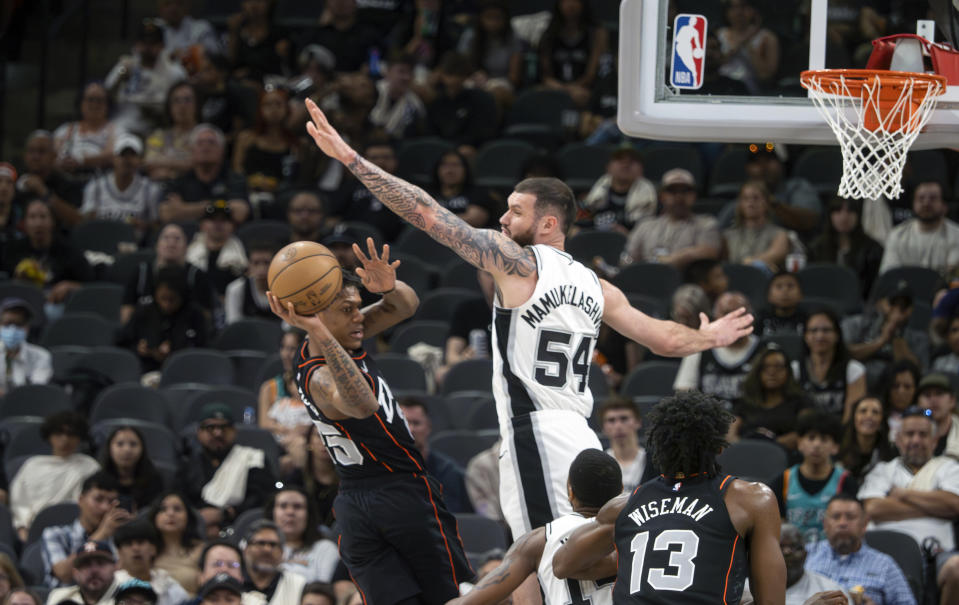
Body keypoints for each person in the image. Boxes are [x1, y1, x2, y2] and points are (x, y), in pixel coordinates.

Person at [303, 98, 753, 544]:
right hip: (581, 433)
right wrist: (708, 335)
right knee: (578, 561)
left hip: (534, 431)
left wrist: (351, 158)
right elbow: (664, 341)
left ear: (548, 222)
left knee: (538, 557)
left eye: (515, 210)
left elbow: (424, 212)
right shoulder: (598, 286)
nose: (502, 218)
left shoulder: (517, 262)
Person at [268, 239, 474, 604]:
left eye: (359, 307)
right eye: (348, 309)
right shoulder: (319, 375)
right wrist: (318, 330)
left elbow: (405, 305)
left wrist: (388, 286)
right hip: (398, 492)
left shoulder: (345, 340)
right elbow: (363, 404)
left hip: (362, 501)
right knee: (452, 598)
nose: (360, 316)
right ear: (317, 316)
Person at [552, 391, 785, 605]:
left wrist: (636, 563)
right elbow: (772, 602)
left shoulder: (623, 505)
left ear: (657, 447)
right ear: (719, 448)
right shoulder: (752, 500)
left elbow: (562, 565)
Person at [446, 449, 623, 605]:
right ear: (620, 490)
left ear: (570, 490)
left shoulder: (536, 541)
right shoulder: (636, 531)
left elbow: (470, 602)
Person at [859, 406, 959, 552]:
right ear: (898, 439)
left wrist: (904, 494)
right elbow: (873, 509)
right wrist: (936, 507)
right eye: (909, 434)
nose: (916, 440)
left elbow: (954, 505)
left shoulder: (950, 468)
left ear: (935, 440)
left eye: (923, 434)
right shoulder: (883, 470)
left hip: (937, 552)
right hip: (884, 552)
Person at [180, 403, 276, 537]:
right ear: (199, 432)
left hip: (242, 529)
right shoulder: (188, 464)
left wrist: (224, 514)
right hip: (194, 529)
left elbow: (261, 499)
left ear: (234, 431)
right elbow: (180, 499)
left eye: (224, 428)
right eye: (210, 427)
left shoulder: (252, 458)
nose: (218, 433)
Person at [805, 495, 916, 605]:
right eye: (836, 517)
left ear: (864, 524)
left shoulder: (884, 565)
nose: (842, 523)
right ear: (825, 524)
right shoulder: (805, 554)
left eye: (850, 517)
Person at [767, 411, 858, 544]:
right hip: (792, 555)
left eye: (824, 439)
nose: (816, 445)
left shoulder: (846, 482)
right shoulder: (783, 481)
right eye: (811, 438)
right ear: (800, 443)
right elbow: (773, 530)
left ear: (835, 447)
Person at [10, 411, 100, 540]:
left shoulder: (89, 466)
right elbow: (19, 502)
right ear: (49, 436)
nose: (65, 439)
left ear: (80, 437)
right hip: (33, 530)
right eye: (59, 434)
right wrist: (23, 529)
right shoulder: (33, 465)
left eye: (71, 434)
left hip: (76, 531)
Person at [673, 292, 761, 411]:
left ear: (751, 317)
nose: (734, 319)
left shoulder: (763, 350)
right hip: (707, 423)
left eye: (741, 314)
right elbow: (683, 394)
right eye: (726, 313)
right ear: (715, 316)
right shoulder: (699, 347)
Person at [41, 473, 130, 587]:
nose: (105, 507)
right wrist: (101, 535)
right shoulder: (56, 534)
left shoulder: (120, 538)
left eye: (111, 502)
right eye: (98, 499)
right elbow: (63, 573)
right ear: (81, 500)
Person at [2, 198, 95, 307]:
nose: (38, 223)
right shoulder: (12, 249)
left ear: (52, 222)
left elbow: (90, 285)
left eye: (43, 217)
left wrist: (69, 286)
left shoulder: (67, 250)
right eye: (32, 217)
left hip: (56, 304)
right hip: (19, 302)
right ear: (24, 223)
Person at [623, 168, 722, 270]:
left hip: (687, 282)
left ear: (694, 196)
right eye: (672, 191)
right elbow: (628, 259)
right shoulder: (645, 225)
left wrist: (671, 260)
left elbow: (709, 252)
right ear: (662, 196)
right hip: (646, 280)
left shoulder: (706, 223)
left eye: (685, 191)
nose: (679, 197)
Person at [120, 265, 211, 373]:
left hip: (186, 370)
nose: (167, 305)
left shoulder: (194, 314)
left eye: (172, 300)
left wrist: (175, 351)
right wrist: (138, 349)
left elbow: (204, 349)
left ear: (182, 296)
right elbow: (123, 342)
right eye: (163, 298)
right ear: (155, 293)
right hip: (146, 370)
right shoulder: (144, 311)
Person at [120, 222, 215, 324]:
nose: (171, 243)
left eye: (177, 239)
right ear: (157, 245)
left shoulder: (197, 275)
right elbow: (127, 311)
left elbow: (206, 317)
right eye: (166, 238)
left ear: (186, 247)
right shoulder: (141, 272)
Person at [105, 19, 187, 135]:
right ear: (137, 44)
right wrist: (121, 77)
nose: (148, 47)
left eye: (153, 43)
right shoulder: (125, 65)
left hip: (161, 128)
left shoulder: (174, 71)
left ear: (162, 46)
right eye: (144, 42)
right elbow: (105, 94)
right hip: (125, 126)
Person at [842, 280, 929, 387]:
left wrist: (895, 333)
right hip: (858, 384)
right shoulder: (856, 324)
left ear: (911, 310)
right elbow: (844, 354)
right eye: (892, 303)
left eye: (903, 306)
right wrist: (881, 341)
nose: (897, 310)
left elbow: (915, 372)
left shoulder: (919, 338)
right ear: (879, 303)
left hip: (894, 389)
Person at [159, 124, 249, 224]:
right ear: (192, 150)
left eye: (211, 142)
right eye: (200, 143)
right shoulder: (178, 180)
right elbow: (166, 214)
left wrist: (184, 210)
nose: (205, 147)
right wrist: (222, 206)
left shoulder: (234, 179)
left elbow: (239, 213)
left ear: (222, 151)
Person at [739, 523, 848, 605]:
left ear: (805, 555)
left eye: (795, 547)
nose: (787, 553)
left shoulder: (829, 591)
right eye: (780, 546)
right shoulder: (741, 590)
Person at [79, 132, 161, 238]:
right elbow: (85, 222)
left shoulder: (150, 189)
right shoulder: (96, 187)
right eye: (122, 154)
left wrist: (143, 225)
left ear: (140, 160)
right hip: (101, 242)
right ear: (114, 158)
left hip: (135, 246)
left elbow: (156, 225)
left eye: (132, 155)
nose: (127, 160)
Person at [731, 343, 811, 450]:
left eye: (778, 367)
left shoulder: (801, 401)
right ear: (758, 372)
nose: (772, 372)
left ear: (788, 371)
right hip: (746, 456)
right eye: (766, 367)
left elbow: (805, 434)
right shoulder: (745, 402)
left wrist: (768, 445)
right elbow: (730, 435)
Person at [397, 398, 472, 513]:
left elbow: (452, 517)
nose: (411, 429)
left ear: (429, 427)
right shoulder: (382, 468)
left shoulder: (447, 471)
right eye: (405, 423)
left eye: (416, 423)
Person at [794, 308, 866, 421]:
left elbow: (852, 417)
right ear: (805, 336)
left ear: (837, 335)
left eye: (826, 330)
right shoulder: (795, 369)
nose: (820, 336)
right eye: (813, 330)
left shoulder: (853, 370)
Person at [231, 88, 299, 206]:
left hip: (282, 196)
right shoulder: (246, 138)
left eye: (278, 104)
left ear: (287, 108)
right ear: (260, 109)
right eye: (267, 105)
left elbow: (295, 177)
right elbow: (237, 169)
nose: (273, 109)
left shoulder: (294, 144)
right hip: (249, 193)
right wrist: (252, 183)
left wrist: (276, 187)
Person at [879, 180, 959, 278]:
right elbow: (889, 275)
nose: (926, 203)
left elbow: (952, 276)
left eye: (933, 199)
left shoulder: (956, 235)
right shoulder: (897, 235)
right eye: (921, 199)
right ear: (913, 204)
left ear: (944, 206)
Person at [537, 0, 608, 108]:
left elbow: (591, 74)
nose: (570, 5)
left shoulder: (596, 33)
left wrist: (573, 88)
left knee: (581, 97)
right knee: (536, 96)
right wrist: (563, 89)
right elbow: (545, 75)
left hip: (585, 88)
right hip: (555, 86)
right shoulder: (549, 34)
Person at [257, 330, 311, 471]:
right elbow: (264, 423)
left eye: (292, 349)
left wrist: (305, 430)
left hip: (309, 440)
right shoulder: (269, 387)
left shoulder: (315, 384)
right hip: (280, 441)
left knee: (297, 449)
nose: (287, 354)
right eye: (284, 348)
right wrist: (289, 430)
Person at [809, 197, 883, 298]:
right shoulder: (817, 247)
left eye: (850, 211)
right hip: (824, 302)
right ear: (830, 215)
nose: (844, 217)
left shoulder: (873, 249)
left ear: (858, 215)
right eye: (838, 211)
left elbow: (873, 287)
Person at [265, 487, 339, 583]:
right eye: (283, 506)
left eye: (297, 506)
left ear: (309, 515)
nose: (290, 512)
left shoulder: (325, 549)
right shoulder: (256, 545)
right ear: (272, 513)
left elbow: (323, 590)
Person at [579, 146, 656, 233]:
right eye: (619, 159)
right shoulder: (593, 195)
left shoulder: (650, 199)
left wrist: (626, 236)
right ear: (608, 167)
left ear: (641, 169)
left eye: (632, 161)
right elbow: (577, 224)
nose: (625, 164)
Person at [15, 130, 83, 227]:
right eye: (31, 151)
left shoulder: (67, 184)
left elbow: (78, 221)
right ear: (25, 156)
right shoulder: (14, 182)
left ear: (53, 156)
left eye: (41, 151)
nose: (35, 156)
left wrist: (42, 190)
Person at [112, 520, 189, 605]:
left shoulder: (169, 587)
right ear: (119, 552)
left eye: (140, 542)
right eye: (128, 544)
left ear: (153, 548)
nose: (135, 548)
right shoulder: (110, 586)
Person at [52, 82, 118, 179]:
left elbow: (113, 155)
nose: (95, 104)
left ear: (108, 105)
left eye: (100, 100)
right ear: (81, 103)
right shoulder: (65, 130)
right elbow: (51, 154)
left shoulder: (115, 130)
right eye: (90, 99)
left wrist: (81, 161)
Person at [723, 180, 789, 274]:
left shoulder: (780, 234)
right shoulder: (727, 236)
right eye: (745, 198)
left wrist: (749, 262)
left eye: (756, 198)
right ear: (740, 204)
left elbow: (776, 254)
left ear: (766, 203)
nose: (751, 203)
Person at [185, 201, 248, 298]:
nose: (218, 224)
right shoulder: (188, 254)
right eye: (212, 219)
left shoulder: (243, 257)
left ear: (233, 226)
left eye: (224, 220)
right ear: (202, 225)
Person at [147, 491, 204, 595]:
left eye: (177, 509)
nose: (170, 513)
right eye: (163, 509)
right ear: (154, 516)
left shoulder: (201, 549)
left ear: (188, 517)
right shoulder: (145, 550)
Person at [97, 425, 164, 512]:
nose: (127, 450)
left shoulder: (154, 481)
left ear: (142, 449)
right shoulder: (97, 481)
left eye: (133, 444)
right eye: (120, 444)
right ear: (109, 448)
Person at [240, 520, 307, 604]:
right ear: (246, 549)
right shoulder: (233, 583)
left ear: (282, 552)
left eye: (273, 544)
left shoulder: (299, 585)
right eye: (261, 543)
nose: (267, 549)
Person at [143, 81, 199, 181]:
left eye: (187, 100)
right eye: (176, 100)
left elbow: (197, 164)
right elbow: (149, 161)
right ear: (169, 106)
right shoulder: (158, 136)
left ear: (197, 104)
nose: (182, 105)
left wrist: (165, 165)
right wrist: (181, 165)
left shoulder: (203, 134)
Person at [225, 0, 291, 84]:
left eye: (259, 1)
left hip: (269, 83)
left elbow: (276, 67)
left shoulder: (280, 34)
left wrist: (250, 72)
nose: (254, 5)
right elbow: (229, 63)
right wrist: (233, 34)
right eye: (248, 1)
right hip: (239, 84)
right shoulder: (236, 31)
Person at [179, 542, 266, 605]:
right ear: (200, 576)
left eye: (232, 565)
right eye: (217, 564)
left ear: (242, 577)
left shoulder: (257, 602)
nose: (224, 569)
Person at [428, 150, 496, 229]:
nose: (450, 170)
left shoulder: (478, 192)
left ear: (465, 169)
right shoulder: (430, 194)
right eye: (444, 165)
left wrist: (432, 219)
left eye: (455, 165)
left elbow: (474, 220)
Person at [0, 297, 52, 396]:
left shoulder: (41, 356)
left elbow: (36, 391)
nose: (13, 329)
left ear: (27, 328)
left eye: (19, 324)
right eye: (7, 324)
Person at [367, 52, 425, 141]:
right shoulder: (371, 91)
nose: (406, 77)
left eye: (410, 73)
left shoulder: (415, 105)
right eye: (401, 71)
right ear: (388, 72)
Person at [837, 396, 897, 482]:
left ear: (882, 420)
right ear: (854, 417)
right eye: (863, 411)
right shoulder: (839, 449)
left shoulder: (891, 452)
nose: (869, 416)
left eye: (875, 412)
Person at [46, 541, 120, 605]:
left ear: (115, 568)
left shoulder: (127, 596)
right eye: (86, 565)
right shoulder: (60, 597)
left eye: (101, 563)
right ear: (75, 573)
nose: (94, 570)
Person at [596, 398, 645, 493]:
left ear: (638, 422)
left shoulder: (655, 463)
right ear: (603, 428)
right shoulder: (598, 465)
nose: (618, 426)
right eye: (611, 420)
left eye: (624, 418)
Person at [224, 241, 276, 324]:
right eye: (256, 263)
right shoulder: (235, 289)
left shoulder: (285, 289)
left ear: (275, 264)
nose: (261, 268)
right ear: (249, 265)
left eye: (266, 263)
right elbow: (233, 325)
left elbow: (289, 325)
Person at [916, 372, 959, 458]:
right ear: (919, 403)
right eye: (927, 395)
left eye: (939, 393)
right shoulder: (906, 434)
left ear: (952, 401)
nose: (933, 400)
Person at [877, 358, 920, 441]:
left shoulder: (927, 415)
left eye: (907, 387)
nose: (901, 391)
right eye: (895, 386)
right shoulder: (878, 417)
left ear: (916, 389)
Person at [753, 271, 806, 338]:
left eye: (790, 286)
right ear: (769, 295)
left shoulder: (808, 321)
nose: (785, 291)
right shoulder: (760, 321)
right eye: (779, 286)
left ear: (801, 294)